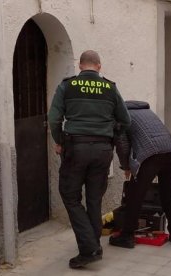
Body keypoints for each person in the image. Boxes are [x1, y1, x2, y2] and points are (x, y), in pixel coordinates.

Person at [47, 50, 131, 269]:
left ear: (80, 66)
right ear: (99, 66)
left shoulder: (67, 86)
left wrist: (59, 141)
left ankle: (89, 248)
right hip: (103, 150)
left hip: (76, 148)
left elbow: (54, 118)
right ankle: (93, 245)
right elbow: (125, 120)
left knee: (70, 196)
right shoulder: (110, 88)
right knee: (94, 199)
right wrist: (110, 135)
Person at [109, 100, 171, 248]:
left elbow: (122, 145)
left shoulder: (122, 116)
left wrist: (126, 167)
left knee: (134, 195)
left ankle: (127, 236)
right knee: (168, 195)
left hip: (150, 155)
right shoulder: (147, 112)